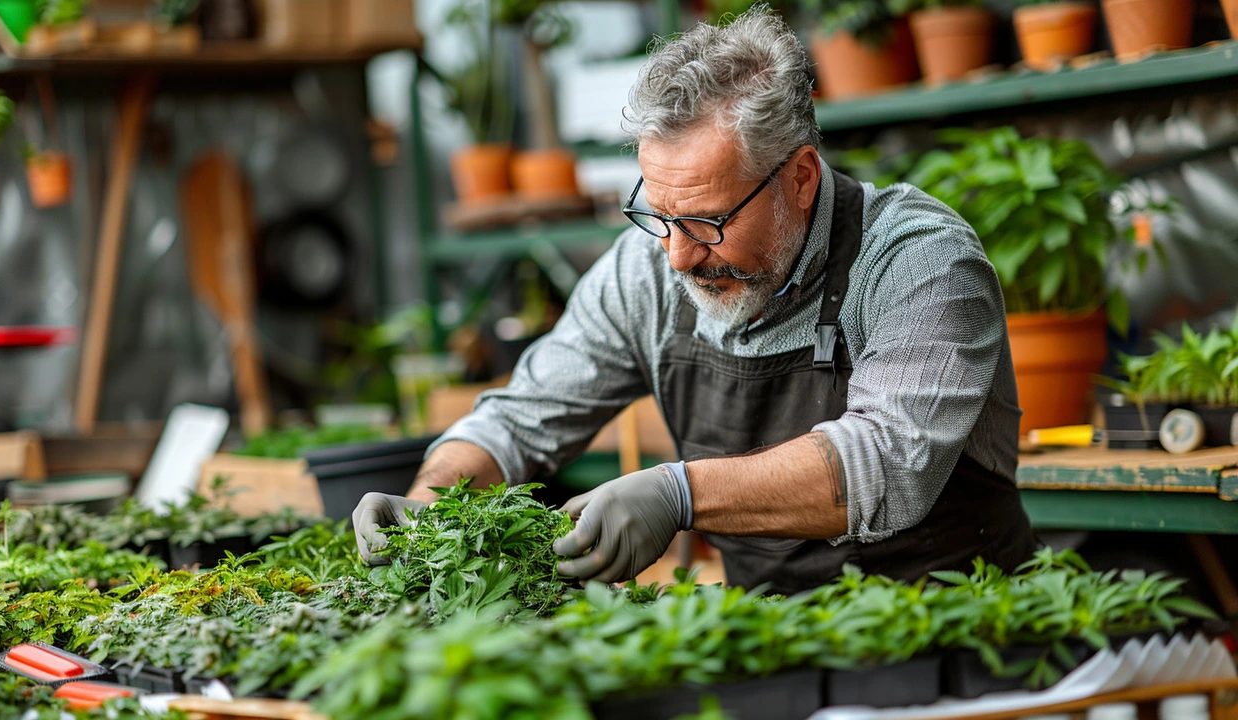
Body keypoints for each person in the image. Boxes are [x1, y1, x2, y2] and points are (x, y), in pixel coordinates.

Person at [353, 7, 1035, 595]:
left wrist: (678, 493)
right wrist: (431, 504)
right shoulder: (647, 274)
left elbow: (886, 464)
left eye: (709, 222)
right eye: (659, 216)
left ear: (799, 179)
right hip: (769, 648)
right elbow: (519, 420)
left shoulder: (916, 258)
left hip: (955, 641)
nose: (678, 255)